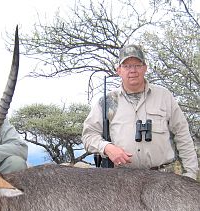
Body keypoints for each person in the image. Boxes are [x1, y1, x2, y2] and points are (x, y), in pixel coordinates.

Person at [82, 44, 199, 180]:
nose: (133, 70)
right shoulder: (108, 101)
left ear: (145, 68)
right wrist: (107, 148)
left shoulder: (164, 96)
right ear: (119, 70)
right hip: (122, 180)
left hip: (163, 179)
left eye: (137, 65)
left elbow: (182, 134)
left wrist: (190, 174)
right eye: (127, 66)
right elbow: (88, 136)